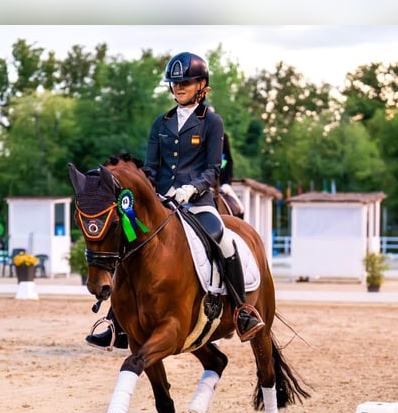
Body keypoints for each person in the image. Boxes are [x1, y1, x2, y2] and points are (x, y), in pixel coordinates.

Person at [86, 51, 264, 350]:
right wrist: (153, 190)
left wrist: (191, 189)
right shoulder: (161, 123)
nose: (179, 87)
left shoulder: (212, 122)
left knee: (224, 240)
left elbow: (212, 168)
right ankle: (117, 320)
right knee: (127, 241)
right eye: (175, 83)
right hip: (164, 201)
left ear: (201, 85)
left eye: (186, 82)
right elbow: (152, 168)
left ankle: (241, 309)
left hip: (198, 201)